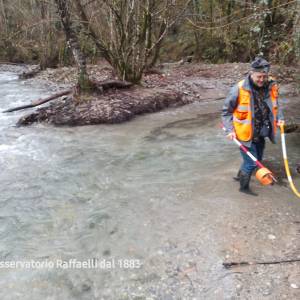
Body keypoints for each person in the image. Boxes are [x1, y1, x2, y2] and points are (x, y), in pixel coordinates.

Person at [222, 57, 284, 196]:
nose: (262, 80)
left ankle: (239, 176)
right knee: (251, 163)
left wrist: (280, 118)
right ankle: (243, 188)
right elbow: (226, 113)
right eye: (259, 77)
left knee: (257, 159)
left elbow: (276, 104)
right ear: (251, 73)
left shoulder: (271, 85)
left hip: (262, 131)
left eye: (264, 76)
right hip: (244, 133)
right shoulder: (238, 89)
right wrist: (230, 130)